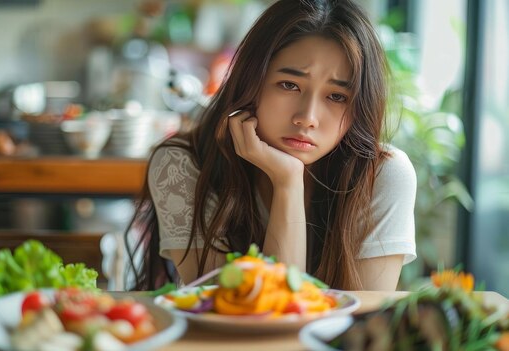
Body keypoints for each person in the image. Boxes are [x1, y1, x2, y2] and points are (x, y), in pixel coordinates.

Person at [125, 0, 417, 291]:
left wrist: (286, 181)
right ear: (251, 80)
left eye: (337, 97)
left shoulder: (381, 175)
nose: (307, 118)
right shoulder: (184, 164)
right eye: (289, 85)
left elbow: (366, 325)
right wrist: (287, 182)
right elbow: (238, 316)